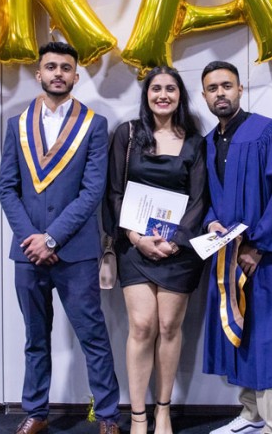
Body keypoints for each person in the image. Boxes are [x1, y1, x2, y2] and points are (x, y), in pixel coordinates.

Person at [0, 41, 121, 434]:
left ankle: (108, 416)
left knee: (93, 337)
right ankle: (35, 411)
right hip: (27, 253)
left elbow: (92, 190)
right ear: (39, 74)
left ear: (75, 76)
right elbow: (7, 188)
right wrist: (32, 238)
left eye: (65, 68)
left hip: (76, 253)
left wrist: (51, 238)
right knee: (35, 339)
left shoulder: (94, 124)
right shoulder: (16, 125)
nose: (58, 73)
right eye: (50, 66)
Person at [103, 66, 208, 434]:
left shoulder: (196, 142)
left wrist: (174, 240)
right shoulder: (127, 134)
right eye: (156, 89)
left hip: (178, 250)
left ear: (180, 96)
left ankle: (163, 411)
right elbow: (114, 192)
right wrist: (135, 237)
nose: (163, 94)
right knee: (143, 326)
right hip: (135, 248)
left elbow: (198, 200)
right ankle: (137, 416)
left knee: (169, 326)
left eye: (171, 89)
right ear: (146, 95)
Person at [200, 61, 272, 434]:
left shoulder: (267, 132)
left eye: (227, 85)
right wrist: (210, 220)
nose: (220, 93)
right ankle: (250, 415)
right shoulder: (209, 142)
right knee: (236, 330)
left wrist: (258, 247)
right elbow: (210, 196)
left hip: (264, 259)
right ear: (205, 96)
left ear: (240, 89)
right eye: (212, 88)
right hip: (227, 257)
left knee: (269, 336)